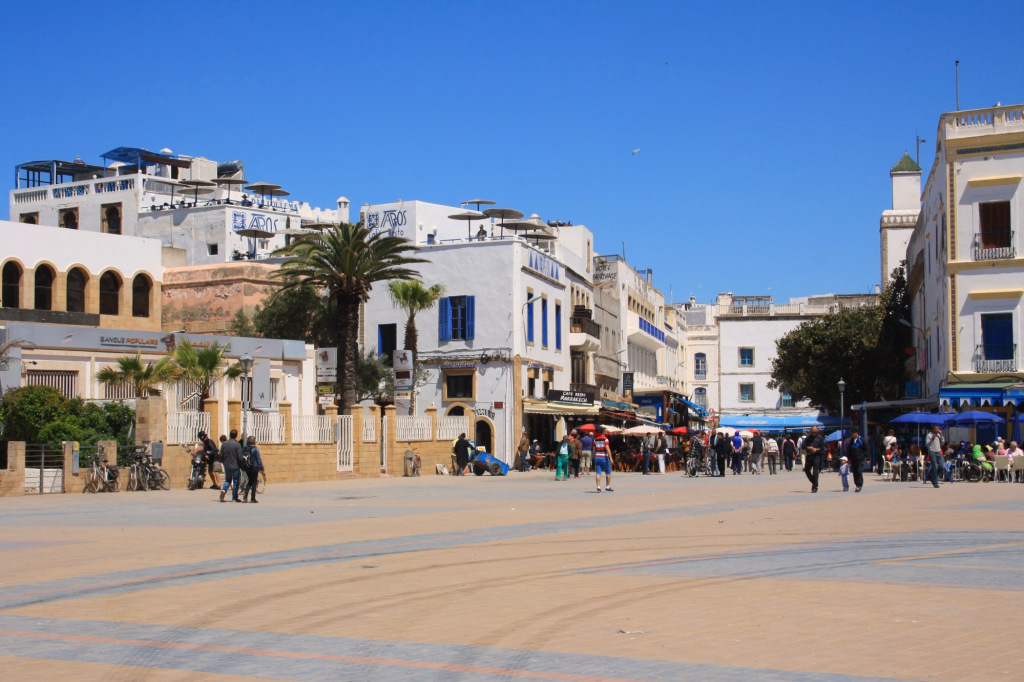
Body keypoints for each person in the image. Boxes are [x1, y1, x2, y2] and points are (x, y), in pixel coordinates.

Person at [219, 429, 243, 503]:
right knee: (236, 481)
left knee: (228, 480)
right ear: (236, 435)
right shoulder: (237, 444)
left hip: (227, 465)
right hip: (235, 466)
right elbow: (239, 457)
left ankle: (224, 490)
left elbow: (221, 455)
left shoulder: (224, 444)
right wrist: (241, 464)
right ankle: (234, 497)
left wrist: (223, 462)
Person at [241, 435, 264, 503]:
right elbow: (258, 459)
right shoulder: (255, 449)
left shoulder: (244, 448)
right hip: (254, 466)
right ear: (254, 441)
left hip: (247, 467)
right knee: (254, 482)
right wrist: (262, 468)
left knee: (250, 481)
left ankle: (246, 494)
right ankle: (253, 498)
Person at [803, 426, 826, 493]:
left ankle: (814, 487)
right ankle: (814, 482)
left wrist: (817, 449)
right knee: (807, 470)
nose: (814, 434)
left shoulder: (820, 438)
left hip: (816, 456)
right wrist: (808, 447)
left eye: (815, 432)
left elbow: (822, 447)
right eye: (813, 432)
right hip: (809, 455)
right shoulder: (808, 437)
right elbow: (803, 446)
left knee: (815, 472)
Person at [593, 426, 613, 492]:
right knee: (608, 472)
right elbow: (608, 449)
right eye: (606, 431)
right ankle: (607, 486)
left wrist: (594, 457)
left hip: (597, 456)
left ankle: (598, 487)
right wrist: (611, 458)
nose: (607, 432)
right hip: (604, 457)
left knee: (598, 472)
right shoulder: (605, 439)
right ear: (603, 432)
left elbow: (594, 450)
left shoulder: (595, 439)